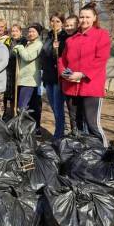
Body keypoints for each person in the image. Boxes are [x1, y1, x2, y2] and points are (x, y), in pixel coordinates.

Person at [58, 2, 110, 146]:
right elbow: (63, 59)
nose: (84, 20)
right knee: (76, 124)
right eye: (81, 17)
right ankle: (80, 154)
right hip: (71, 88)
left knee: (92, 124)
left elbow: (101, 59)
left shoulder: (102, 35)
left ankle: (103, 154)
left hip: (91, 88)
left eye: (87, 17)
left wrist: (81, 74)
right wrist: (65, 73)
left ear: (94, 18)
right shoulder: (71, 40)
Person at [40, 12, 69, 140]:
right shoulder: (49, 36)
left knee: (58, 109)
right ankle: (63, 128)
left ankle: (58, 136)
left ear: (62, 23)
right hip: (48, 77)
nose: (54, 23)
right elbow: (44, 56)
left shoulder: (64, 37)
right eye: (52, 21)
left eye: (57, 21)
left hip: (58, 78)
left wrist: (58, 48)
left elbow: (63, 57)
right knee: (54, 108)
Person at [13, 23, 43, 135]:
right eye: (29, 31)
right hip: (25, 79)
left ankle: (21, 129)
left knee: (22, 106)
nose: (30, 33)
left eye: (33, 31)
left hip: (29, 80)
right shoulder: (29, 44)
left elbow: (28, 57)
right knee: (34, 106)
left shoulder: (38, 45)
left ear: (38, 33)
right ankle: (35, 128)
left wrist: (20, 48)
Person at [63, 14, 85, 134]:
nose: (69, 27)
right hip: (70, 83)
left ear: (77, 25)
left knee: (83, 116)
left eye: (72, 25)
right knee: (72, 114)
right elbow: (63, 60)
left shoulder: (84, 39)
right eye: (67, 25)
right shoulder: (68, 40)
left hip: (83, 84)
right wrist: (65, 73)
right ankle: (75, 138)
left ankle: (85, 140)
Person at [3, 24, 26, 120]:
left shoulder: (24, 42)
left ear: (20, 32)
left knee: (15, 94)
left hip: (18, 70)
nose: (14, 33)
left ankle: (14, 115)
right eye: (13, 31)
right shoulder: (7, 41)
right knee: (6, 93)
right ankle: (4, 114)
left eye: (16, 31)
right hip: (8, 70)